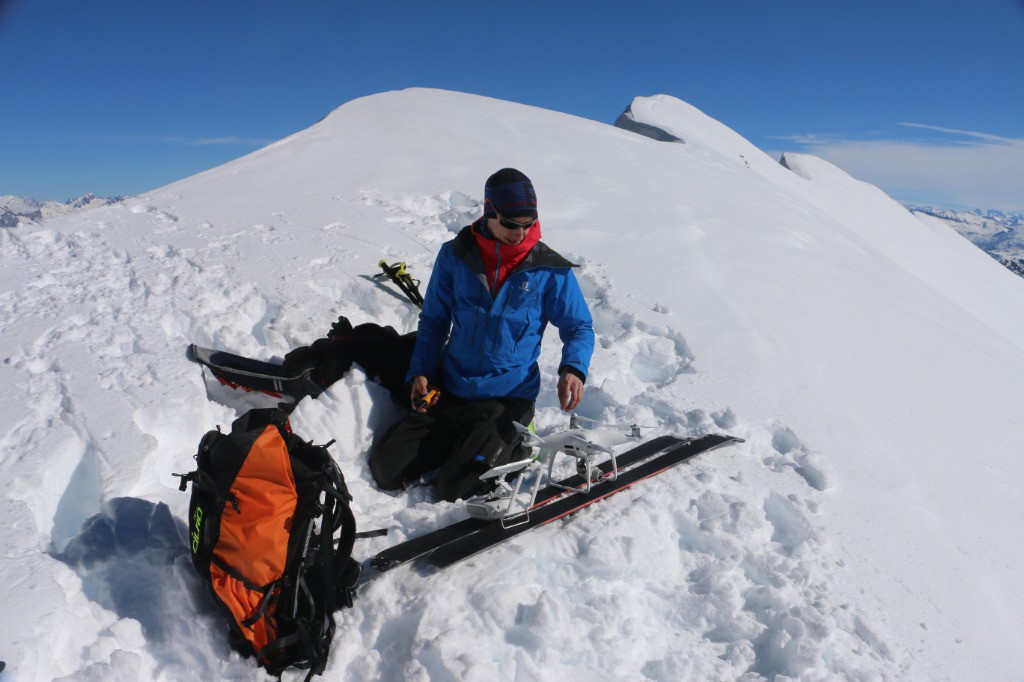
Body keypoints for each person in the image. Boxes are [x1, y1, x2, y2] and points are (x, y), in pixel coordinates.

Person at [369, 168, 595, 502]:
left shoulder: (549, 269)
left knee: (456, 489)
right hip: (452, 389)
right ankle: (468, 444)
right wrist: (422, 371)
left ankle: (518, 439)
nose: (519, 234)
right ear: (489, 212)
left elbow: (578, 326)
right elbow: (434, 321)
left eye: (528, 224)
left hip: (506, 399)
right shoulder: (455, 255)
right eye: (510, 224)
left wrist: (573, 367)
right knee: (386, 468)